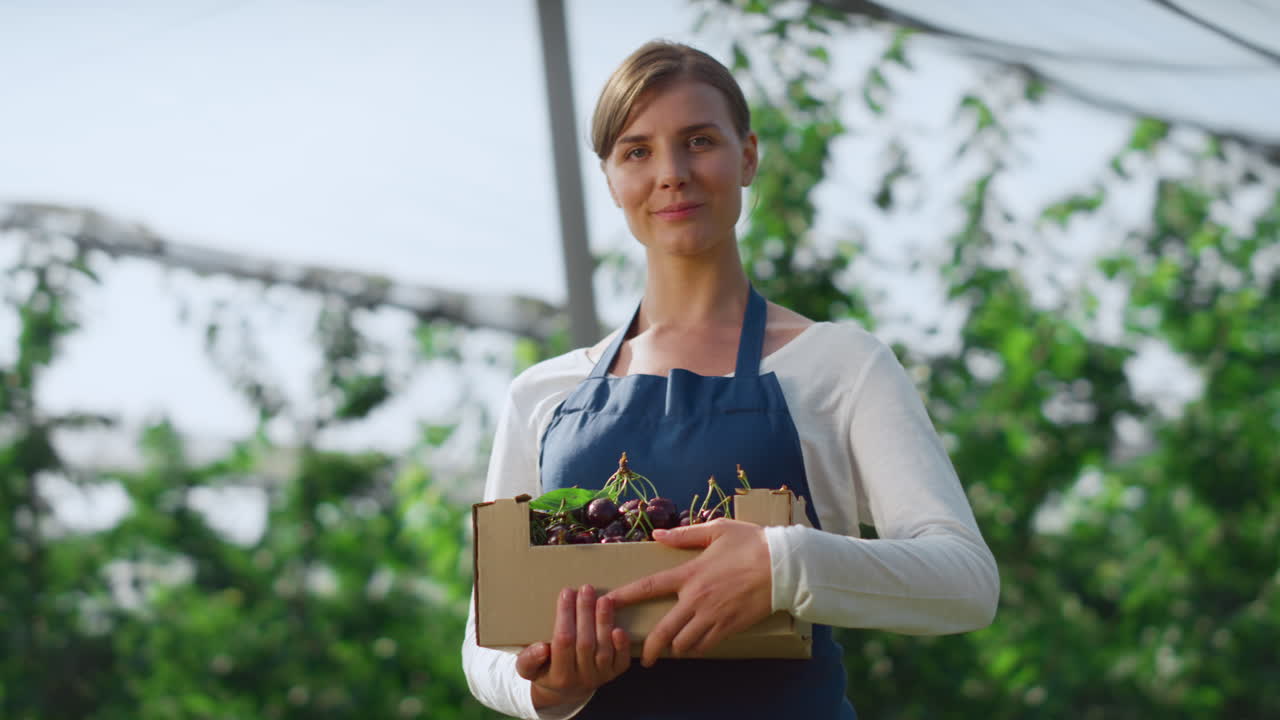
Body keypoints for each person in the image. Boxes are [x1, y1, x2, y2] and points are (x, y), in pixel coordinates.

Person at [462, 40, 999, 719]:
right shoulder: (544, 396)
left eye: (699, 141)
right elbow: (484, 639)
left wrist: (783, 566)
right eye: (637, 151)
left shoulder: (840, 366)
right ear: (609, 179)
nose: (672, 173)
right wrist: (546, 688)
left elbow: (966, 582)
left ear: (747, 156)